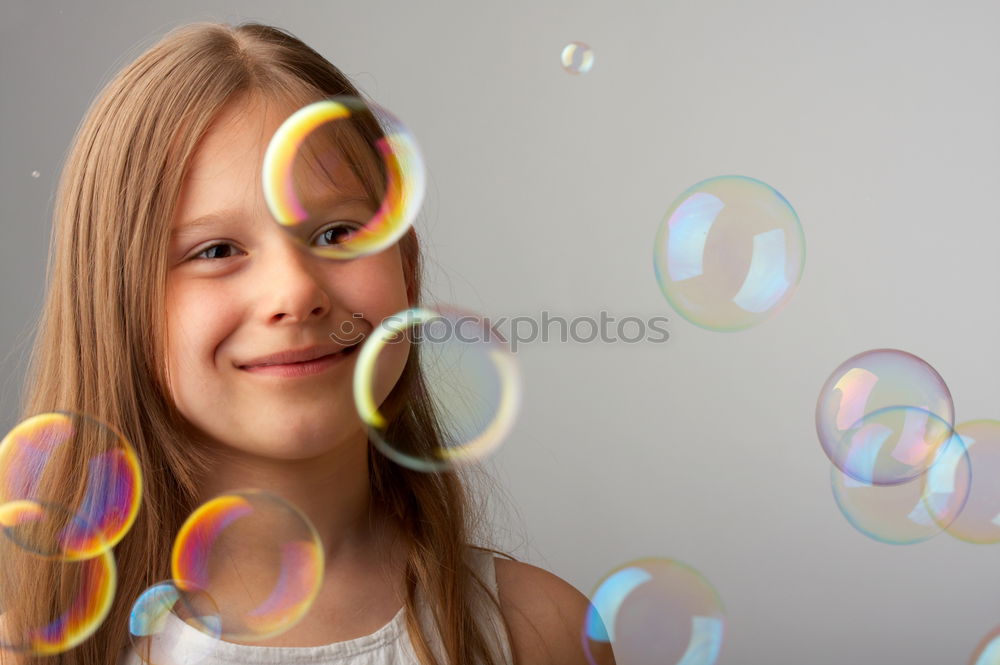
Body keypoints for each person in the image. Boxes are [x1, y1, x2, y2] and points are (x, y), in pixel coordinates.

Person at [0, 21, 615, 665]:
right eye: (216, 250)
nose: (295, 291)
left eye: (336, 233)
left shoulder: (537, 632)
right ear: (116, 302)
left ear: (405, 264)